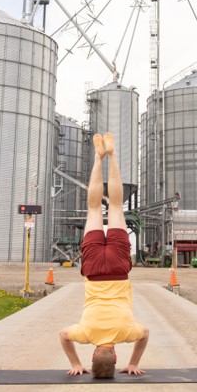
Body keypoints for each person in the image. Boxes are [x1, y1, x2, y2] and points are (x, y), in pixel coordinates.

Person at [59, 132, 149, 377]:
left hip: (119, 270)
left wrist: (133, 363)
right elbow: (64, 336)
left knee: (117, 207)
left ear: (116, 356)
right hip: (94, 270)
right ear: (93, 354)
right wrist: (75, 364)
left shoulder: (126, 333)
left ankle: (112, 153)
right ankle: (99, 157)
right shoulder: (86, 334)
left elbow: (145, 335)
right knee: (94, 207)